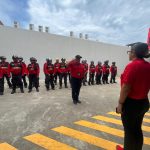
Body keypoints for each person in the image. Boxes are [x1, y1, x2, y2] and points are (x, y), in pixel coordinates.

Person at [116, 42, 150, 150]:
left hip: (131, 104)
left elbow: (126, 88)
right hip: (143, 102)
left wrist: (120, 104)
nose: (128, 54)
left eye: (129, 51)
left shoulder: (132, 66)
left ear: (134, 52)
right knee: (137, 129)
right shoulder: (148, 66)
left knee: (129, 132)